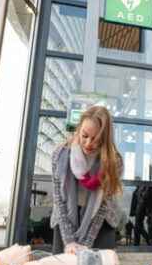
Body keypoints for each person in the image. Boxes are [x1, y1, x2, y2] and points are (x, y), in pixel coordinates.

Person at [50, 106, 123, 254]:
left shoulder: (114, 162)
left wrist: (86, 244)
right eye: (85, 136)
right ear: (78, 130)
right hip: (65, 218)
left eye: (96, 139)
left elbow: (103, 205)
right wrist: (69, 241)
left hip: (100, 222)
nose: (89, 143)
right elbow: (59, 200)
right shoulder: (60, 155)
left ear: (105, 138)